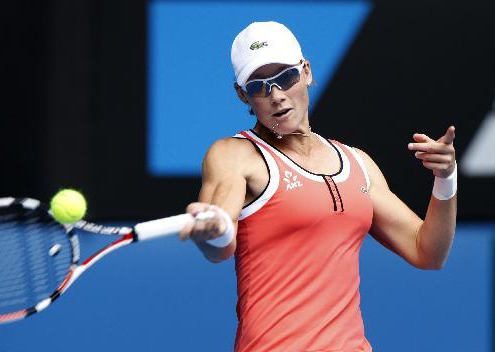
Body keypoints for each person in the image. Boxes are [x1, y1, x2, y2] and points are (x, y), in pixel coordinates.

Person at [179, 21, 457, 352]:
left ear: (306, 72)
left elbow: (428, 251)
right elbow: (220, 245)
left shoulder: (357, 163)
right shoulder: (234, 155)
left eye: (285, 77)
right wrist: (213, 230)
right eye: (259, 86)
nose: (277, 96)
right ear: (243, 95)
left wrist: (447, 178)